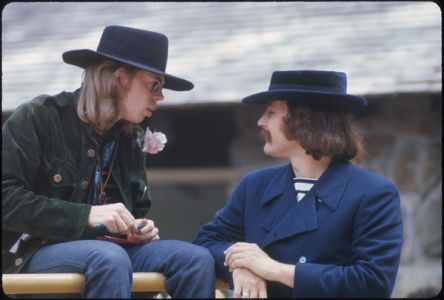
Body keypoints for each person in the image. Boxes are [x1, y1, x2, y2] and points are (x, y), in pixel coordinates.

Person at [2, 25, 215, 298]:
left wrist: (139, 228)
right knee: (108, 257)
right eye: (155, 85)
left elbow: (136, 210)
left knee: (195, 260)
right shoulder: (39, 117)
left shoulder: (132, 137)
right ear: (119, 78)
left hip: (113, 253)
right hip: (33, 253)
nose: (160, 96)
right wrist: (87, 214)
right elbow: (5, 199)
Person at [193, 70, 403, 298]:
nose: (261, 121)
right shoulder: (254, 186)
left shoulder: (374, 193)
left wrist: (274, 269)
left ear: (303, 120)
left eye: (271, 112)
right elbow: (205, 243)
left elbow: (373, 283)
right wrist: (239, 266)